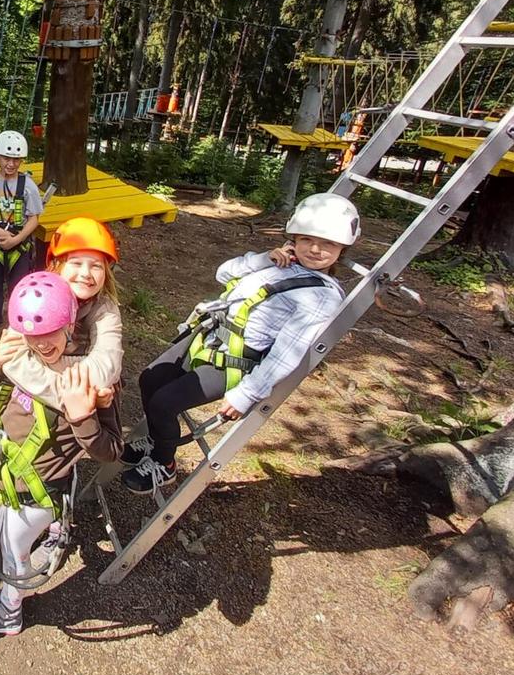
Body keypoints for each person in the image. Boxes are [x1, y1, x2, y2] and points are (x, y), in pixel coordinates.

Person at [0, 273, 121, 675]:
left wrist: (82, 417)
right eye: (34, 335)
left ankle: (9, 605)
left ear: (69, 324)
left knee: (14, 551)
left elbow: (111, 450)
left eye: (52, 333)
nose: (43, 343)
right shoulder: (23, 355)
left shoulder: (87, 379)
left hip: (41, 490)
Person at [120, 192, 358, 494]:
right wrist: (263, 259)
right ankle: (157, 440)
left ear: (342, 248)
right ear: (294, 238)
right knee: (150, 379)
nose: (315, 249)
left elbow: (288, 352)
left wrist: (248, 393)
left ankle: (163, 463)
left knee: (164, 402)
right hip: (209, 337)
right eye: (307, 239)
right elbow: (224, 273)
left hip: (238, 361)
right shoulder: (281, 263)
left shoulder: (320, 297)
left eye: (327, 244)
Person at [0, 216, 123, 571]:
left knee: (63, 468)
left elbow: (107, 364)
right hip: (47, 405)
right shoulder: (36, 296)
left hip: (81, 412)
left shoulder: (105, 310)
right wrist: (72, 387)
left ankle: (58, 521)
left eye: (96, 265)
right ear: (56, 265)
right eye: (76, 263)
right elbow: (12, 355)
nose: (86, 273)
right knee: (35, 453)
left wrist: (83, 394)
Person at [0, 130, 43, 332]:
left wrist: (16, 239)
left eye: (16, 160)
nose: (11, 164)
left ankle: (17, 323)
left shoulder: (28, 186)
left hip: (19, 245)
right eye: (6, 158)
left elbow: (34, 219)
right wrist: (1, 233)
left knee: (18, 286)